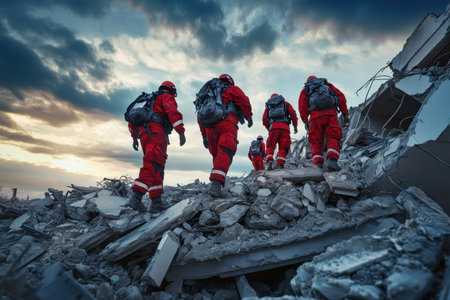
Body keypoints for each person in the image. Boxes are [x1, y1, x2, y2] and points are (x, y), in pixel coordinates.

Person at [127, 81, 186, 214]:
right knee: (153, 163)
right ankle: (136, 196)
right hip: (156, 132)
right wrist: (181, 131)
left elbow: (132, 121)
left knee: (157, 166)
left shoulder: (147, 100)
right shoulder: (165, 97)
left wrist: (134, 138)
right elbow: (173, 112)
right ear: (172, 90)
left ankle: (156, 202)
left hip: (143, 135)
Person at [198, 74, 253, 197]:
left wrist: (204, 136)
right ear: (230, 81)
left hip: (209, 128)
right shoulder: (231, 89)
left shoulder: (208, 94)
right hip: (227, 122)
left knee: (217, 155)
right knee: (226, 150)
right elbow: (243, 100)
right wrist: (249, 117)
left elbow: (201, 115)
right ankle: (216, 185)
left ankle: (216, 183)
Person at [298, 76, 349, 171]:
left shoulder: (305, 90)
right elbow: (341, 97)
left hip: (315, 118)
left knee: (316, 141)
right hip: (330, 114)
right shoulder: (327, 85)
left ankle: (318, 164)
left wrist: (305, 121)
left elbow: (302, 107)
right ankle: (332, 160)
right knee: (333, 137)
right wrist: (345, 114)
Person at [263, 93, 298, 170]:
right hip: (285, 128)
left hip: (273, 128)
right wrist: (295, 126)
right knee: (283, 147)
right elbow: (293, 114)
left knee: (270, 146)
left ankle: (269, 160)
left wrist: (269, 128)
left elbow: (264, 120)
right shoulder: (285, 104)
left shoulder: (269, 106)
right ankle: (280, 164)